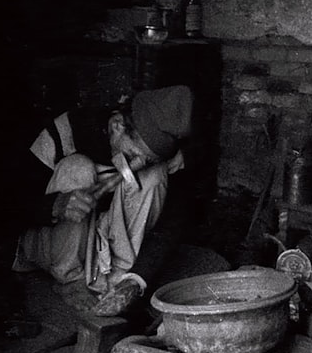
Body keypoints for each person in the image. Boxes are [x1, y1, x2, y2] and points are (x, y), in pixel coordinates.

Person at [11, 85, 194, 316]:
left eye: (146, 159)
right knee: (77, 168)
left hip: (100, 250)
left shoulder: (162, 157)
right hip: (50, 245)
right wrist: (55, 206)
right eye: (133, 155)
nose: (136, 163)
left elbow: (171, 226)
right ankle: (70, 281)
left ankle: (118, 279)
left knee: (155, 175)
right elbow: (7, 204)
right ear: (117, 126)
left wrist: (137, 279)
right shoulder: (65, 131)